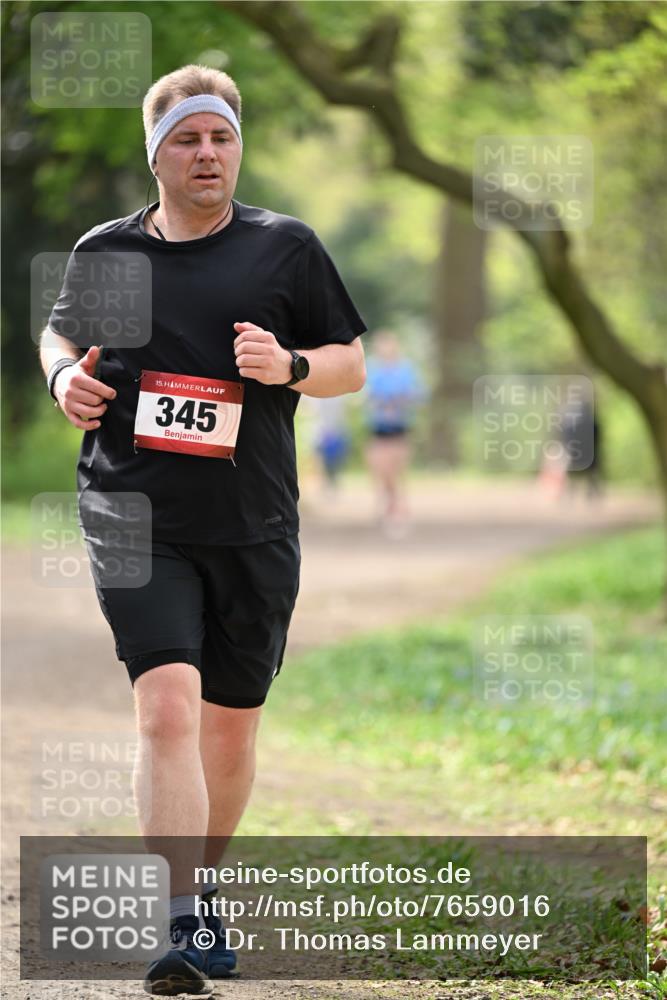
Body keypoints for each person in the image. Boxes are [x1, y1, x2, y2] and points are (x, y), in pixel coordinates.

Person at [39, 64, 367, 996]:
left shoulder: (284, 250)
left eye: (220, 136)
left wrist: (290, 364)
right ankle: (179, 920)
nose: (207, 153)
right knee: (167, 706)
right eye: (187, 138)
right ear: (157, 154)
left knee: (229, 725)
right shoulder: (109, 254)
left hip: (252, 518)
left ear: (237, 145)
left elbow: (351, 365)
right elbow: (59, 338)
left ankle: (206, 886)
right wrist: (65, 379)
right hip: (132, 509)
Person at [364, 330, 424, 535]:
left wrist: (398, 401)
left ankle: (398, 509)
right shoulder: (372, 368)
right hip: (378, 428)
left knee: (397, 471)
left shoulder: (405, 369)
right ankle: (387, 507)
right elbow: (365, 393)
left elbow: (417, 394)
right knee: (381, 470)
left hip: (400, 428)